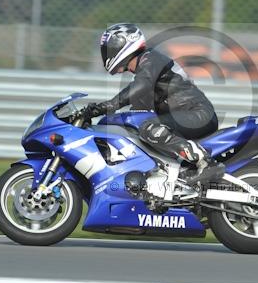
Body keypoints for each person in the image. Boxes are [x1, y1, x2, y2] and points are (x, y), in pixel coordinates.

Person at [87, 23, 224, 186]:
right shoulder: (144, 70)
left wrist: (106, 106)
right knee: (136, 128)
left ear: (125, 44)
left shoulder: (151, 59)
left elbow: (139, 87)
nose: (107, 53)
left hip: (197, 114)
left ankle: (206, 163)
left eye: (110, 48)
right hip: (186, 115)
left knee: (150, 129)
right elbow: (136, 107)